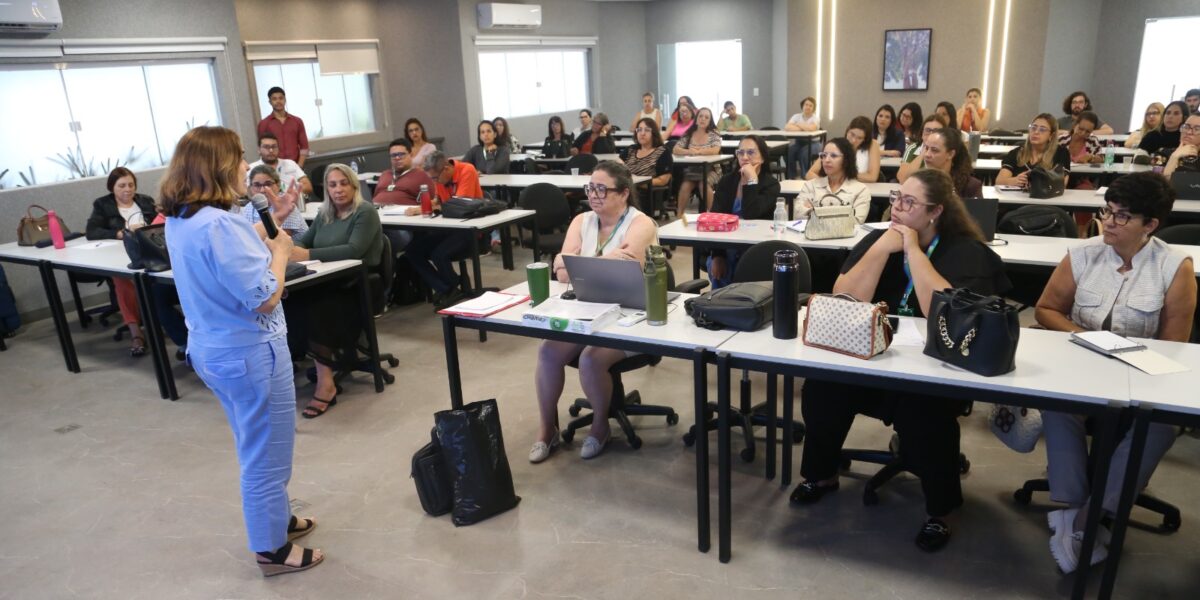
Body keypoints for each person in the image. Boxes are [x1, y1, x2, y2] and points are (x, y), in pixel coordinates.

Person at [793, 169, 1011, 552]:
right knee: (823, 388)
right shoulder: (881, 238)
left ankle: (944, 511)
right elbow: (844, 298)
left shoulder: (965, 252)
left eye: (909, 203)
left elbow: (944, 315)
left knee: (924, 411)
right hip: (877, 358)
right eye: (896, 198)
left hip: (937, 367)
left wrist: (913, 251)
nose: (896, 207)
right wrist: (882, 248)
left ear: (936, 212)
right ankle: (822, 474)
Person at [161, 126, 321, 576]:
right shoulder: (215, 223)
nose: (243, 165)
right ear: (217, 165)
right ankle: (271, 550)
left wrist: (270, 220)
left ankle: (278, 518)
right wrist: (281, 251)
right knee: (266, 454)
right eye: (237, 157)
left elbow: (226, 250)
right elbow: (265, 295)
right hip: (250, 353)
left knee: (255, 442)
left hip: (217, 350)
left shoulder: (185, 217)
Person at [1034, 172, 1196, 573]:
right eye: (1108, 211)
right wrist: (1086, 338)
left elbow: (1173, 345)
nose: (1109, 222)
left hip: (1142, 375)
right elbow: (1046, 309)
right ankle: (1073, 506)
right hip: (1079, 366)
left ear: (1150, 225)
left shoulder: (1174, 267)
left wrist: (1125, 359)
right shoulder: (1083, 254)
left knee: (1159, 424)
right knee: (1059, 404)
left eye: (1123, 217)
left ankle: (1090, 516)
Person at [530, 161, 658, 463]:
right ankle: (547, 429)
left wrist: (578, 266)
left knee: (590, 359)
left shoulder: (642, 224)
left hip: (631, 313)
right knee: (548, 352)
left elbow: (621, 266)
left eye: (602, 188)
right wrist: (580, 267)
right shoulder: (581, 221)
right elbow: (560, 267)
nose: (594, 194)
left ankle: (600, 426)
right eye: (590, 188)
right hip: (587, 309)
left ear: (624, 193)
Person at [288, 164, 384, 418]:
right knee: (291, 302)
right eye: (332, 185)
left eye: (343, 183)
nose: (338, 190)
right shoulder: (325, 214)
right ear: (326, 189)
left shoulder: (365, 212)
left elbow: (354, 249)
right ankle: (321, 365)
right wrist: (292, 248)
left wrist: (306, 254)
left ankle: (325, 383)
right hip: (326, 282)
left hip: (357, 286)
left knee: (317, 310)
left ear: (353, 185)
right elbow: (304, 240)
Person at [85, 167, 157, 357]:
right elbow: (92, 231)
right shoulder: (102, 205)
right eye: (122, 186)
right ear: (112, 187)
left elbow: (159, 224)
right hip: (119, 255)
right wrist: (120, 233)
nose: (128, 189)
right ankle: (136, 333)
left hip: (149, 251)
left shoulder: (145, 201)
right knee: (121, 279)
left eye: (131, 185)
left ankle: (161, 317)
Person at [707, 136, 780, 287]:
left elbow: (751, 213)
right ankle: (722, 303)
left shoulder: (771, 184)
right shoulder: (726, 181)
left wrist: (751, 180)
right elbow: (715, 218)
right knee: (720, 267)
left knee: (743, 271)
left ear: (763, 157)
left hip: (754, 245)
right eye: (741, 152)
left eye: (751, 152)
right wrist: (717, 256)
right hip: (725, 245)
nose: (745, 157)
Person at [795, 137, 870, 223]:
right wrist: (841, 214)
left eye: (833, 156)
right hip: (812, 235)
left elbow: (855, 222)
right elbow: (798, 214)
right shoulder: (810, 185)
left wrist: (814, 212)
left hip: (846, 236)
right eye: (824, 155)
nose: (826, 160)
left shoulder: (861, 190)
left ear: (846, 160)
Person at [996, 113, 1071, 188]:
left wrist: (1034, 183)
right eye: (1033, 128)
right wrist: (1014, 180)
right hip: (1018, 198)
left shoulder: (1061, 153)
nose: (1036, 132)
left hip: (1046, 198)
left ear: (1051, 135)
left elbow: (1062, 184)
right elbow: (999, 181)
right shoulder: (1017, 153)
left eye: (1042, 129)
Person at [673, 106, 723, 211]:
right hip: (693, 170)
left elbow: (715, 150)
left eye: (706, 117)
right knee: (685, 186)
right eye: (700, 116)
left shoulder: (714, 134)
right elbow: (676, 149)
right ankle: (679, 216)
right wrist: (689, 151)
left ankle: (713, 214)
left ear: (710, 121)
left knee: (703, 184)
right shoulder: (689, 134)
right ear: (696, 119)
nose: (703, 119)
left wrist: (698, 151)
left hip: (712, 170)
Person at [806, 116, 880, 183]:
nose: (854, 140)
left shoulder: (872, 144)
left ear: (865, 139)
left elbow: (872, 177)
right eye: (852, 134)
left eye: (859, 138)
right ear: (848, 130)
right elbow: (810, 174)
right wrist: (827, 184)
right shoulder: (836, 145)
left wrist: (841, 174)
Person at [244, 164, 308, 240]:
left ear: (278, 185)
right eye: (257, 185)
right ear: (250, 187)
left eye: (268, 184)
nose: (262, 190)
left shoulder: (285, 204)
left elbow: (278, 240)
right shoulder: (248, 207)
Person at [623, 117, 674, 212]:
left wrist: (639, 183)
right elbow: (617, 167)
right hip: (625, 189)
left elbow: (663, 180)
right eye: (639, 130)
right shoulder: (631, 149)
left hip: (646, 193)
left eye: (647, 130)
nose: (642, 133)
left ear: (653, 133)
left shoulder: (662, 152)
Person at [922, 128, 983, 199]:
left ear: (950, 154)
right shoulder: (919, 181)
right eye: (926, 148)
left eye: (934, 150)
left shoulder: (970, 186)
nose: (927, 154)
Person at [256, 87, 309, 167]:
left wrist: (299, 167)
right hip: (274, 168)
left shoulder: (297, 121)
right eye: (274, 99)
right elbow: (262, 149)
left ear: (285, 100)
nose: (278, 101)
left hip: (296, 166)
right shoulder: (264, 124)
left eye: (281, 98)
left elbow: (304, 147)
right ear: (270, 102)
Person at [248, 133, 312, 198]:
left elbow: (308, 186)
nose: (271, 150)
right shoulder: (251, 168)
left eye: (274, 147)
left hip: (294, 203)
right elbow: (248, 192)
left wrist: (287, 194)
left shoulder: (290, 163)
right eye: (266, 147)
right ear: (259, 150)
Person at [897, 114, 949, 183]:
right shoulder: (913, 148)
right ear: (922, 134)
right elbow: (902, 178)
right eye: (928, 130)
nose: (931, 134)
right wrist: (923, 152)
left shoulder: (947, 149)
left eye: (936, 131)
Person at [1057, 111, 1103, 176]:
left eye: (1088, 131)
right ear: (1074, 125)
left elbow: (1101, 159)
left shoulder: (1092, 141)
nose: (1083, 133)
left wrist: (1090, 157)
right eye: (1081, 129)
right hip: (1061, 176)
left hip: (1083, 178)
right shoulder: (1061, 140)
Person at [785, 96, 821, 178]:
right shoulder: (796, 116)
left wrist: (798, 124)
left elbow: (812, 128)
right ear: (802, 106)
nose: (807, 107)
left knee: (804, 153)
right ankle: (791, 176)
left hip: (814, 143)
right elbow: (787, 127)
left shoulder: (815, 118)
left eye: (810, 105)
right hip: (799, 143)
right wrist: (804, 127)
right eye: (806, 104)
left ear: (813, 108)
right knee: (789, 151)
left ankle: (805, 176)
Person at [1163, 113, 1200, 179]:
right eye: (1186, 127)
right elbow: (1156, 185)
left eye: (1197, 129)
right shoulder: (1163, 153)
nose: (1188, 132)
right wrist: (1174, 157)